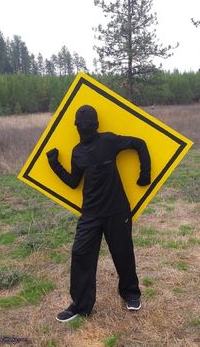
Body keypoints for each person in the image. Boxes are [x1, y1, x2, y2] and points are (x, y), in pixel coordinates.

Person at [46, 105, 151, 322]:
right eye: (81, 126)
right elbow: (73, 182)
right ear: (77, 127)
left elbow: (139, 143)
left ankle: (131, 294)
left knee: (123, 254)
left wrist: (145, 175)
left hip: (117, 210)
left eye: (88, 126)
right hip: (90, 214)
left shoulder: (109, 141)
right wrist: (54, 164)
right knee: (80, 254)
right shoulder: (77, 151)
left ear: (95, 126)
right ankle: (81, 306)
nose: (84, 129)